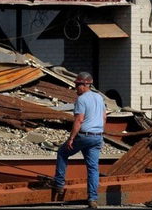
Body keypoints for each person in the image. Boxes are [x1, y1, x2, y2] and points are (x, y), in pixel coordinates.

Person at [52, 71, 105, 209]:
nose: (76, 87)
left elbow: (79, 120)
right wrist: (99, 131)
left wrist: (71, 138)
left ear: (85, 84)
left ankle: (59, 184)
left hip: (84, 135)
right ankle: (92, 199)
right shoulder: (99, 98)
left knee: (63, 153)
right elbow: (104, 117)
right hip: (97, 136)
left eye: (77, 85)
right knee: (93, 168)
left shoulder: (81, 100)